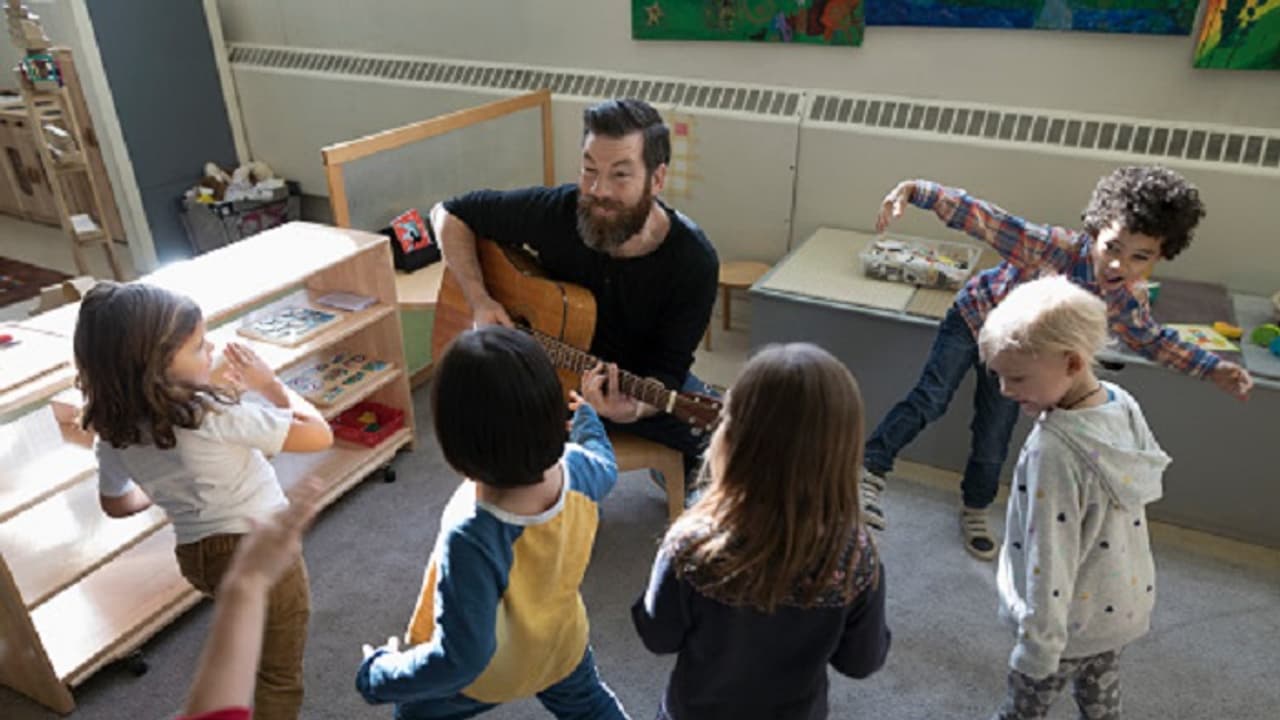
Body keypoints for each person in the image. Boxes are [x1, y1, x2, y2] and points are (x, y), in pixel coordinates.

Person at [861, 165, 1251, 559]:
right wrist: (916, 191)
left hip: (1022, 354)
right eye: (1112, 248)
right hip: (975, 319)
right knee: (932, 396)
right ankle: (870, 471)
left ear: (1160, 255)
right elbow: (989, 221)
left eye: (1140, 257)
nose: (1119, 265)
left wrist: (1212, 367)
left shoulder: (1127, 298)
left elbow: (1152, 339)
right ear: (1095, 232)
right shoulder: (1054, 248)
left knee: (995, 430)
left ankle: (976, 507)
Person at [75, 282, 334, 720]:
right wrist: (271, 386)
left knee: (246, 630)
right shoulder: (210, 415)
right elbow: (318, 433)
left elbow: (116, 504)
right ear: (156, 368)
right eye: (198, 347)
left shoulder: (112, 430)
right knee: (280, 669)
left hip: (197, 556)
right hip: (256, 548)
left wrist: (166, 489)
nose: (210, 348)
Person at [432, 98, 719, 489]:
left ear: (657, 179)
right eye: (589, 170)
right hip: (547, 384)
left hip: (634, 380)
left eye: (620, 175)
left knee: (726, 452)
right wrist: (480, 300)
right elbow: (450, 213)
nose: (598, 191)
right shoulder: (560, 211)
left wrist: (632, 410)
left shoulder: (693, 262)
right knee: (495, 439)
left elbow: (667, 368)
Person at [355, 326, 628, 719]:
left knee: (415, 714)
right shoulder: (580, 469)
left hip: (487, 676)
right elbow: (606, 463)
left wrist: (379, 676)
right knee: (589, 705)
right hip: (560, 644)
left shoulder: (472, 534)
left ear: (454, 440)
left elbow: (460, 659)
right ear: (550, 413)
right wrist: (588, 419)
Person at [632, 343, 890, 720]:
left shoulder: (694, 539)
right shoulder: (854, 554)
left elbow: (658, 636)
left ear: (731, 437)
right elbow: (862, 661)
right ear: (843, 449)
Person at [978, 276, 1169, 720]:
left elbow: (1051, 556)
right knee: (1102, 703)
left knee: (1022, 711)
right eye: (999, 376)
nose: (1005, 390)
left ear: (1071, 362)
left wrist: (1037, 648)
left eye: (1017, 377)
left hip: (1063, 626)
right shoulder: (1121, 403)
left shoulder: (1055, 450)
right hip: (1117, 608)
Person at [178, 476, 325, 720]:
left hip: (193, 549)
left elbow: (117, 504)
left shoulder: (112, 442)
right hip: (254, 539)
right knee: (279, 672)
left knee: (254, 642)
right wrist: (249, 578)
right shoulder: (214, 434)